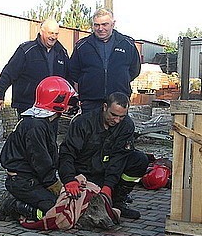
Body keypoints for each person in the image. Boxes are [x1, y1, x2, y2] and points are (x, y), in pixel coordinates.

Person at [0, 76, 77, 222]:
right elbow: (40, 159)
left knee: (62, 204)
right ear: (57, 102)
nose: (71, 106)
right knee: (56, 209)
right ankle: (14, 206)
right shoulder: (36, 127)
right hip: (22, 181)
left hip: (30, 178)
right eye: (69, 102)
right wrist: (53, 184)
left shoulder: (40, 122)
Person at [58, 92, 149, 220]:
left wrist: (109, 186)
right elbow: (67, 153)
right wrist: (69, 179)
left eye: (121, 116)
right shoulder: (83, 123)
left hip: (107, 172)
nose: (117, 120)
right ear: (105, 107)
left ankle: (118, 202)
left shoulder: (126, 125)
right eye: (113, 115)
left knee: (139, 159)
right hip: (85, 173)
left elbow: (119, 157)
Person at [66, 8, 141, 114]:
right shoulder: (82, 46)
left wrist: (120, 80)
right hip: (91, 102)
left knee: (117, 130)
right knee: (90, 130)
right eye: (96, 25)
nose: (100, 28)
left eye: (104, 24)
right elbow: (74, 71)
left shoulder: (127, 44)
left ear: (113, 24)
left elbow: (134, 70)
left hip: (118, 101)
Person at [0, 18, 69, 115]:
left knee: (49, 130)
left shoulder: (62, 53)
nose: (53, 37)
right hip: (28, 105)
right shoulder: (26, 50)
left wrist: (70, 101)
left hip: (53, 107)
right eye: (50, 33)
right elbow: (9, 72)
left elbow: (68, 78)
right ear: (41, 32)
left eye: (56, 34)